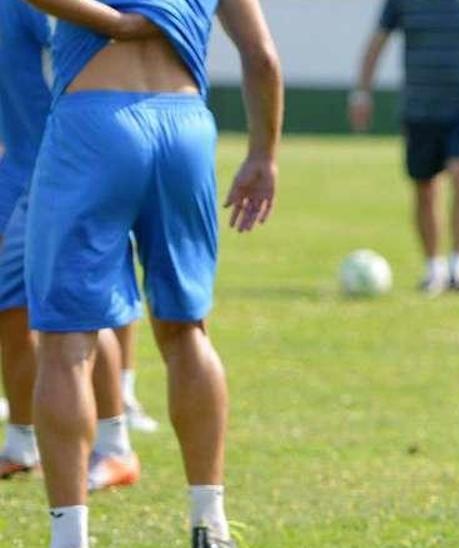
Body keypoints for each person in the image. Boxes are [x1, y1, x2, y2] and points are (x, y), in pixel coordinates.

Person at [20, 0, 282, 545]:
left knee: (68, 343)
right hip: (185, 125)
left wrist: (113, 23)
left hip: (93, 122)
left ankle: (69, 537)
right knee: (187, 330)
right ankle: (209, 520)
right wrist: (263, 155)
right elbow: (262, 58)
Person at [0, 0, 142, 487]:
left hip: (71, 162)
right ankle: (21, 440)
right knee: (13, 307)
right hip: (18, 167)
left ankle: (115, 443)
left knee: (80, 305)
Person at [350, 0, 459, 296]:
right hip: (419, 107)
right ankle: (434, 268)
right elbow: (378, 39)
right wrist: (362, 93)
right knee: (425, 187)